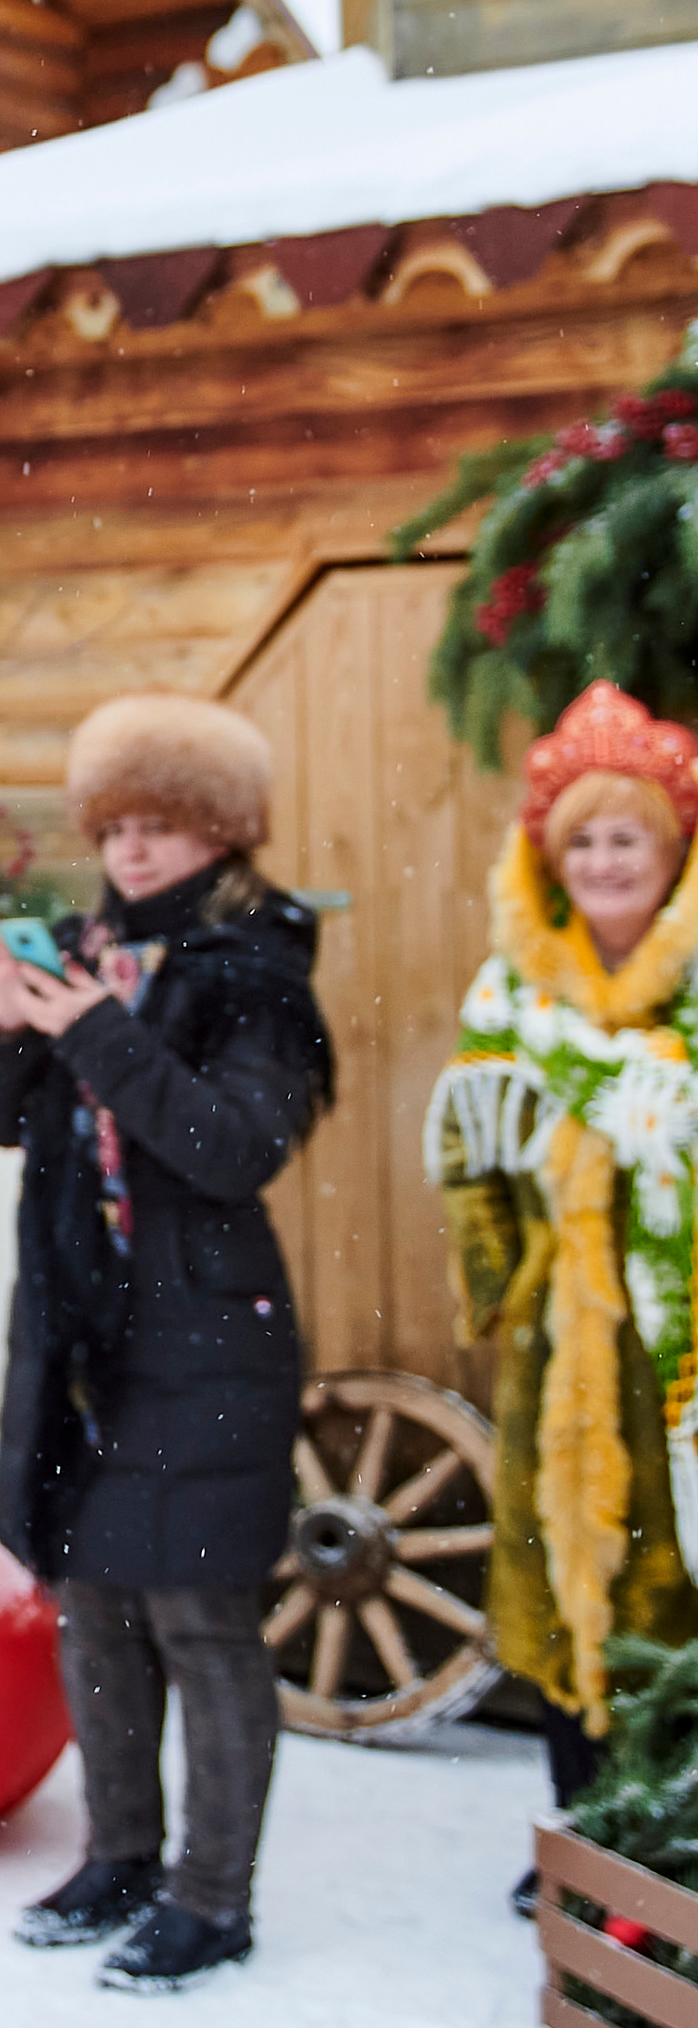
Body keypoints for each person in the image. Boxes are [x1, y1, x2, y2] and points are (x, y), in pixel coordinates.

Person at [0, 693, 332, 1996]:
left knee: (200, 1618)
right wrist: (5, 1025)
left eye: (161, 822)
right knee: (96, 1610)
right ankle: (119, 1859)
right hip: (83, 1336)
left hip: (208, 1338)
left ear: (223, 831)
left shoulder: (257, 974)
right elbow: (0, 1121)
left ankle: (211, 1901)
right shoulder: (80, 957)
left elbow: (231, 1148)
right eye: (114, 824)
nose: (130, 847)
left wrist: (88, 1029)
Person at [426, 682, 698, 1903]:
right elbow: (467, 1155)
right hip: (562, 1343)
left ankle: (667, 1839)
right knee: (555, 1579)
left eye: (625, 838)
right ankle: (581, 1827)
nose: (602, 862)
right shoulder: (513, 1000)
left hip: (677, 1350)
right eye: (581, 841)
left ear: (671, 850)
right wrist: (517, 1277)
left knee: (672, 1586)